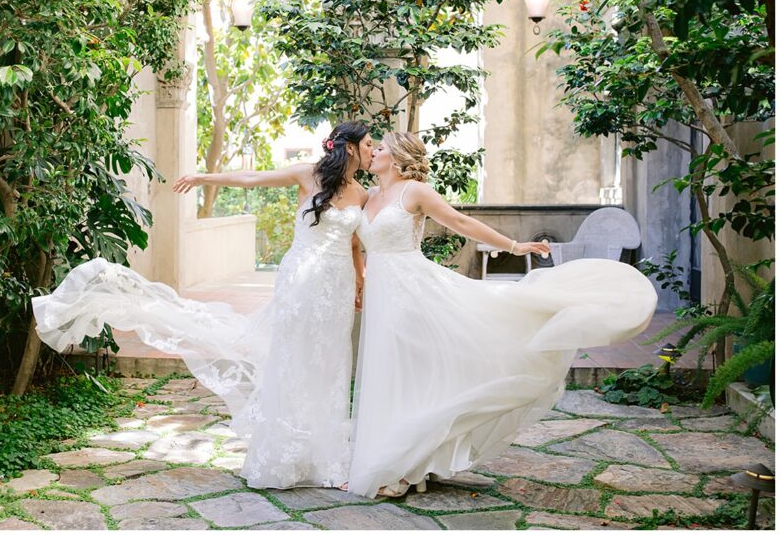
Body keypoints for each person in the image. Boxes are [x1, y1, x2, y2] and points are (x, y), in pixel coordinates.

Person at [33, 121, 373, 489]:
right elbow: (252, 178)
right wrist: (203, 178)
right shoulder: (308, 174)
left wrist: (360, 279)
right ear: (351, 148)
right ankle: (282, 459)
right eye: (370, 144)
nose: (374, 150)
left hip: (337, 286)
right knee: (293, 360)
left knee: (331, 363)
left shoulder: (363, 194)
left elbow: (355, 242)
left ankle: (325, 459)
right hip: (302, 279)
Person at [347, 131, 657, 498]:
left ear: (396, 158)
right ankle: (406, 460)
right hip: (382, 293)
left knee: (410, 370)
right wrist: (359, 280)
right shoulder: (368, 197)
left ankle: (403, 466)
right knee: (392, 373)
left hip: (412, 291)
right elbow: (357, 244)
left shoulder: (413, 191)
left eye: (380, 147)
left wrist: (514, 245)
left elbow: (460, 223)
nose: (374, 152)